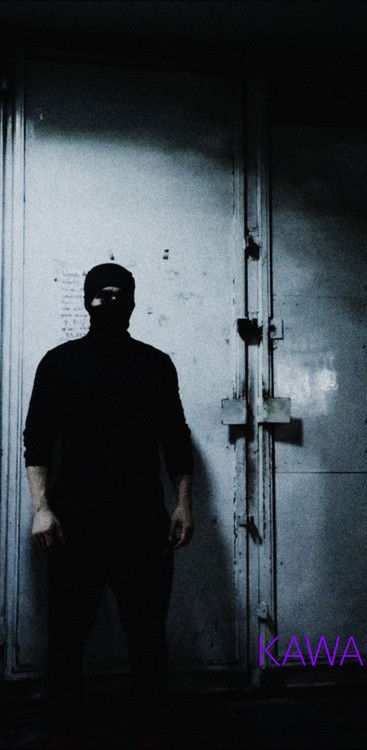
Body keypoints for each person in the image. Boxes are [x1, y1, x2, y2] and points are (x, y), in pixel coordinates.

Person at [23, 263, 194, 749]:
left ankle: (150, 728)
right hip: (74, 520)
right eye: (101, 295)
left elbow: (175, 440)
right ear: (86, 300)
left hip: (141, 519)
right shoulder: (59, 363)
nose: (110, 303)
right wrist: (41, 508)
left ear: (134, 302)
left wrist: (184, 504)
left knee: (146, 632)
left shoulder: (156, 365)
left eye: (120, 295)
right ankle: (64, 729)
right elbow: (37, 441)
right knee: (67, 634)